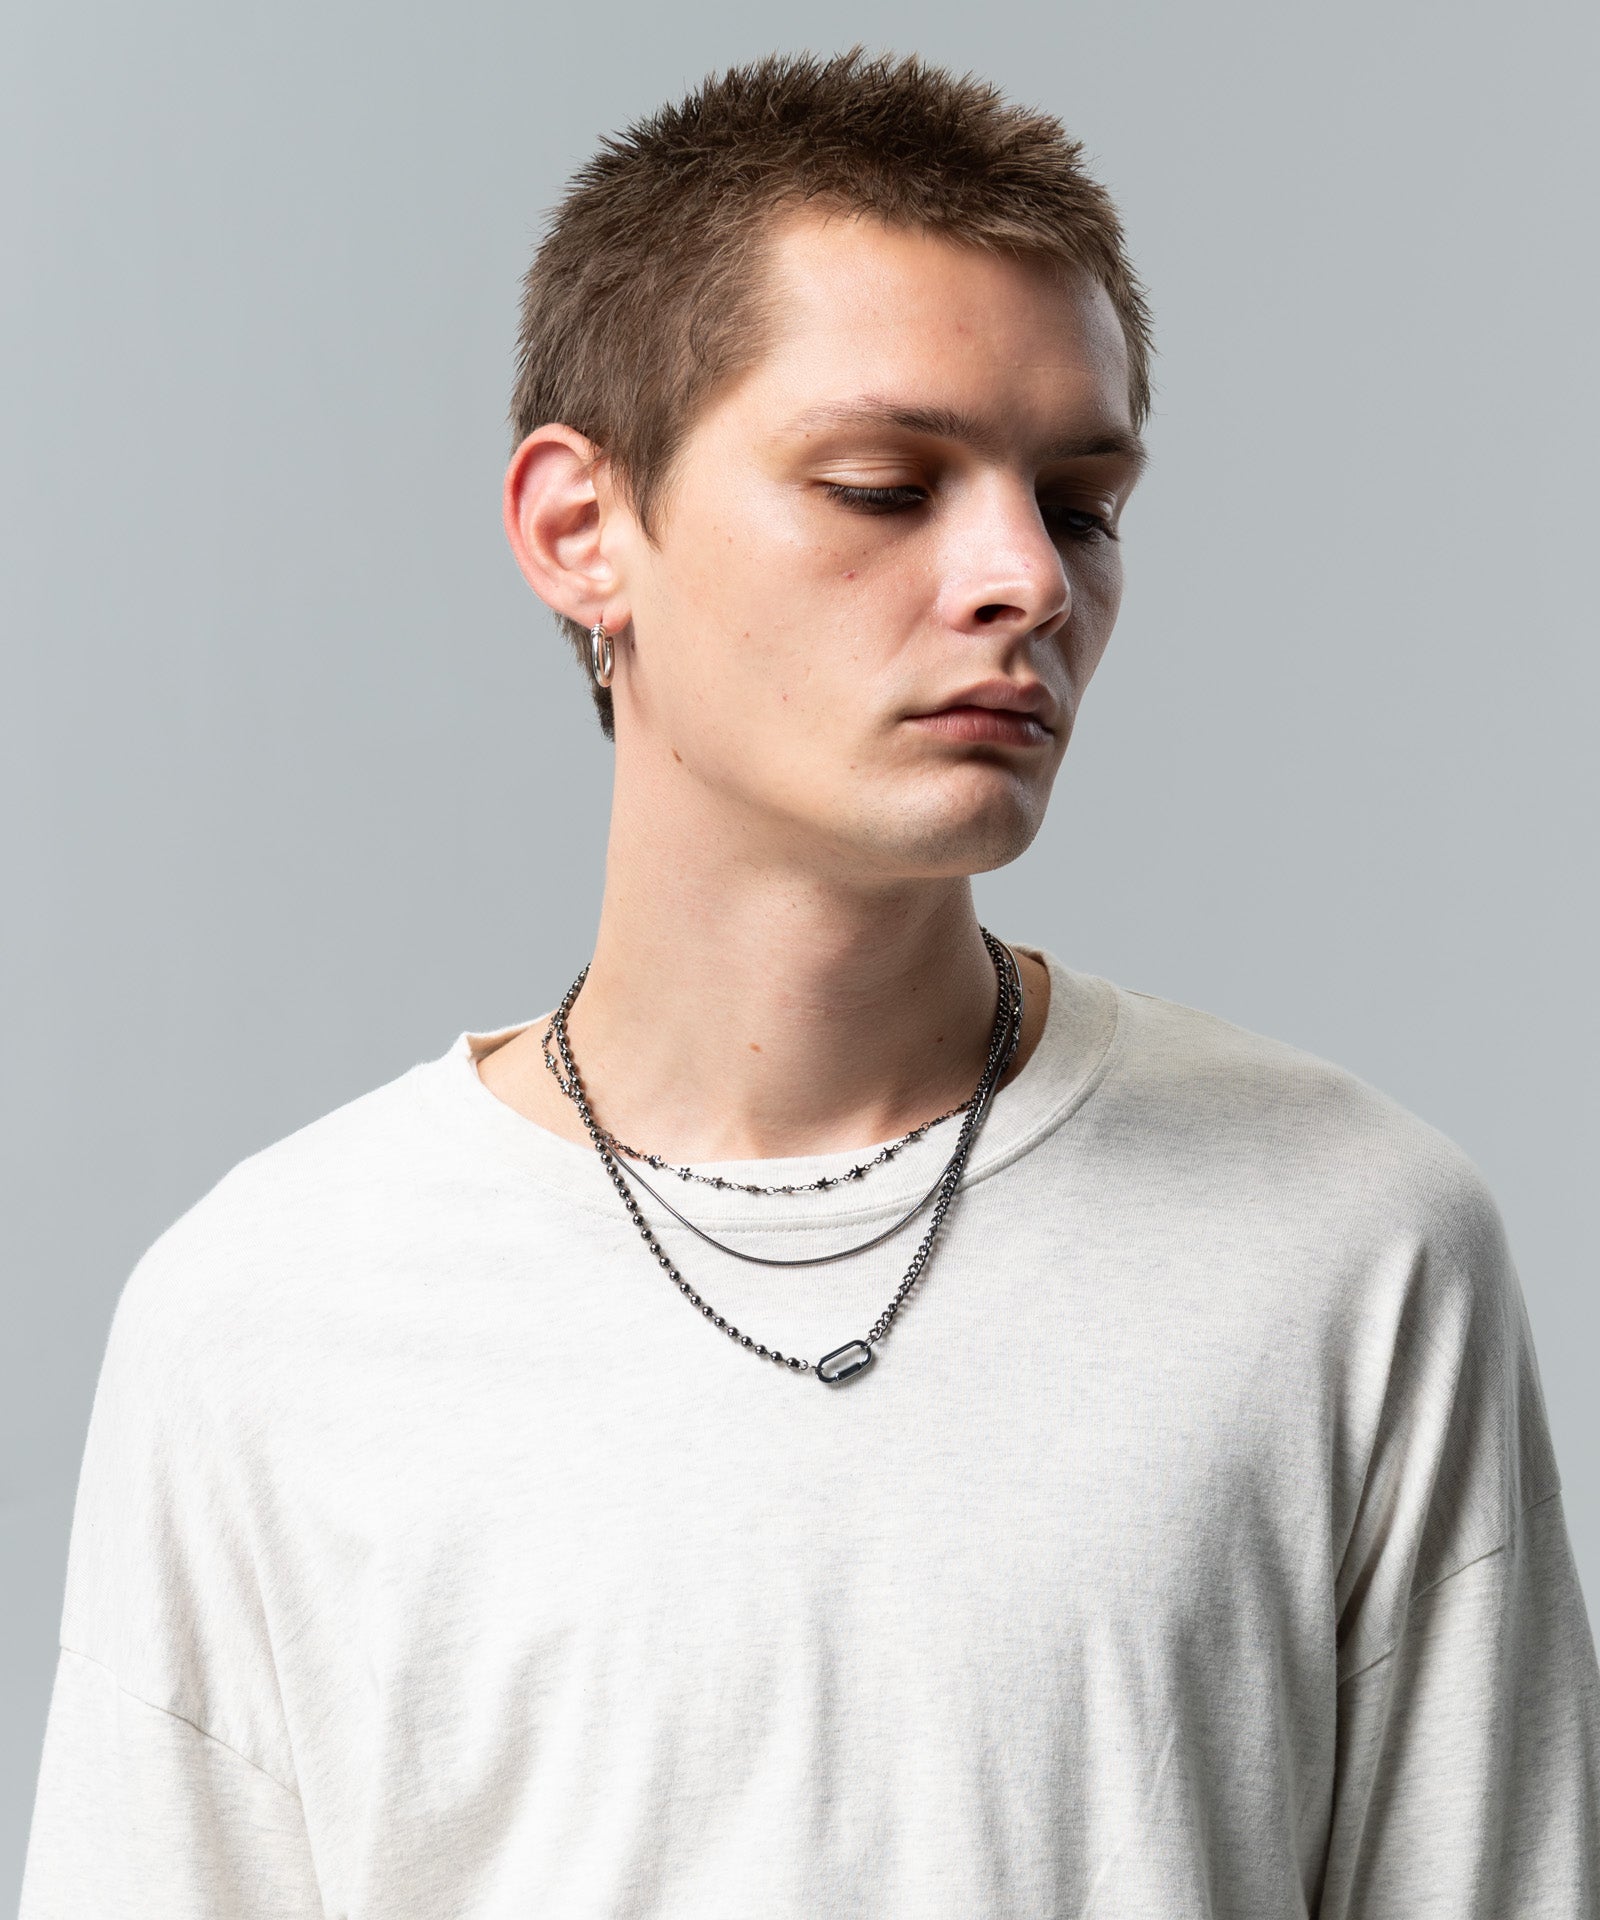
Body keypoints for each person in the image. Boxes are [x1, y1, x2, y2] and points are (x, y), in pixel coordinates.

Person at [19, 44, 1600, 1920]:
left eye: (1082, 504)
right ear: (580, 531)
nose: (1024, 578)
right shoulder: (266, 1316)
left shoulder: (1350, 1246)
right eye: (882, 486)